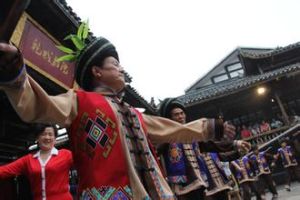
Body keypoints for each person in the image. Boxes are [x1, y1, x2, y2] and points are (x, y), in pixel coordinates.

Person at [0, 30, 248, 198]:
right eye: (115, 65)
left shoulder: (134, 113)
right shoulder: (79, 101)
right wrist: (13, 68)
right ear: (97, 72)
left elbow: (173, 129)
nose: (121, 69)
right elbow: (37, 106)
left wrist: (210, 128)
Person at [157, 98, 250, 200]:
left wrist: (235, 144)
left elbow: (213, 145)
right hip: (183, 187)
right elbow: (156, 150)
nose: (180, 116)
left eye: (182, 113)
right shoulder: (167, 136)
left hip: (200, 182)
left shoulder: (193, 136)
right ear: (170, 118)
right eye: (176, 114)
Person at [0, 123, 73, 200]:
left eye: (50, 134)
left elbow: (84, 164)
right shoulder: (28, 160)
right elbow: (4, 170)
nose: (47, 137)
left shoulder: (66, 155)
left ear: (55, 139)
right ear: (37, 138)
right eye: (43, 134)